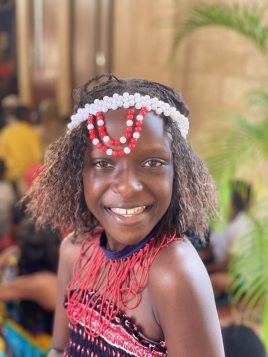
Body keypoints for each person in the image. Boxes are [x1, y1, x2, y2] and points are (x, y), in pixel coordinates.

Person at [26, 73, 225, 356]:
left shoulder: (175, 274)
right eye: (104, 163)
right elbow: (59, 348)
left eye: (153, 162)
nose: (128, 187)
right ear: (77, 175)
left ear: (177, 173)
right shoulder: (74, 251)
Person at [0, 105, 43, 197]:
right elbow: (37, 156)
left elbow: (2, 156)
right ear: (26, 116)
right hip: (30, 176)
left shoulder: (5, 132)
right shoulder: (31, 132)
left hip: (12, 177)